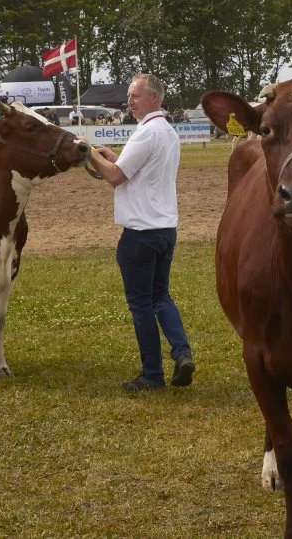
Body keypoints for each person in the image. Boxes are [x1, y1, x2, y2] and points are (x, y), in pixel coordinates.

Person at [87, 73, 195, 392]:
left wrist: (87, 153)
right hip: (165, 228)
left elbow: (117, 177)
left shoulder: (146, 132)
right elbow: (136, 171)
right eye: (130, 96)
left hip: (139, 233)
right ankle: (181, 351)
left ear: (154, 98)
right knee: (161, 295)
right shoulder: (167, 132)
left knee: (141, 304)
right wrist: (113, 157)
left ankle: (152, 374)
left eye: (135, 96)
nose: (129, 101)